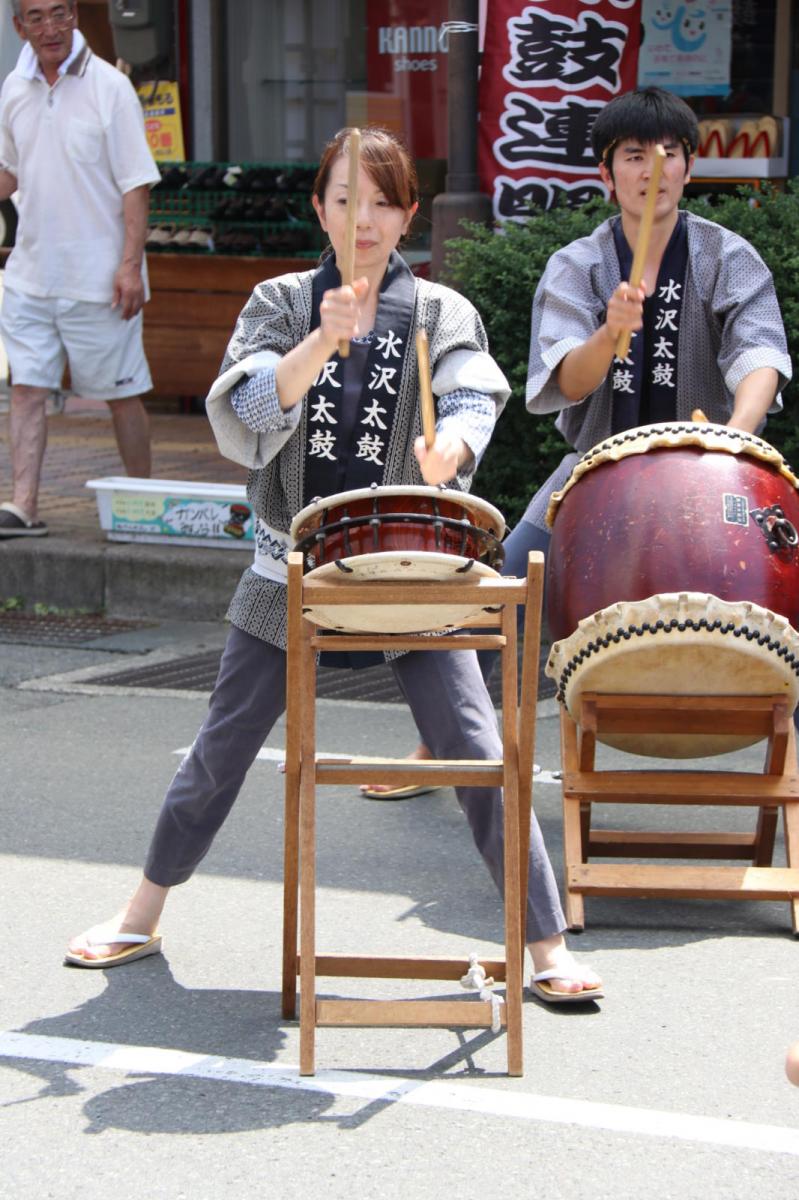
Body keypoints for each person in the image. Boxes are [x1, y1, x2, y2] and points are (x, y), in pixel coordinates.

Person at [66, 126, 603, 1004]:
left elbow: (471, 389)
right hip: (293, 574)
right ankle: (141, 911)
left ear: (408, 215)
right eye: (346, 200)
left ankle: (544, 947)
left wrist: (453, 444)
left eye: (383, 201)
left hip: (413, 576)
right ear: (320, 208)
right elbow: (242, 404)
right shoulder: (280, 300)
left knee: (476, 749)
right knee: (222, 746)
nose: (364, 219)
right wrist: (317, 344)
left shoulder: (439, 311)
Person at [391, 85, 793, 777]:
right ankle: (442, 739)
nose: (653, 168)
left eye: (670, 153)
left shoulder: (727, 256)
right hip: (598, 469)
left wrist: (733, 439)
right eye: (633, 155)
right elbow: (565, 381)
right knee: (501, 584)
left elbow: (759, 356)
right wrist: (609, 333)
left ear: (689, 169)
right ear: (607, 175)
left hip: (712, 465)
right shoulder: (578, 265)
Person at [0, 0, 159, 539]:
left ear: (76, 17)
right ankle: (23, 504)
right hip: (30, 272)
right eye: (37, 18)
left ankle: (144, 501)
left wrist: (129, 266)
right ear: (18, 26)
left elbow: (135, 183)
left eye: (61, 14)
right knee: (26, 387)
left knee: (121, 391)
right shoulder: (13, 87)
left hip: (100, 277)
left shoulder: (111, 88)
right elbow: (10, 172)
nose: (51, 29)